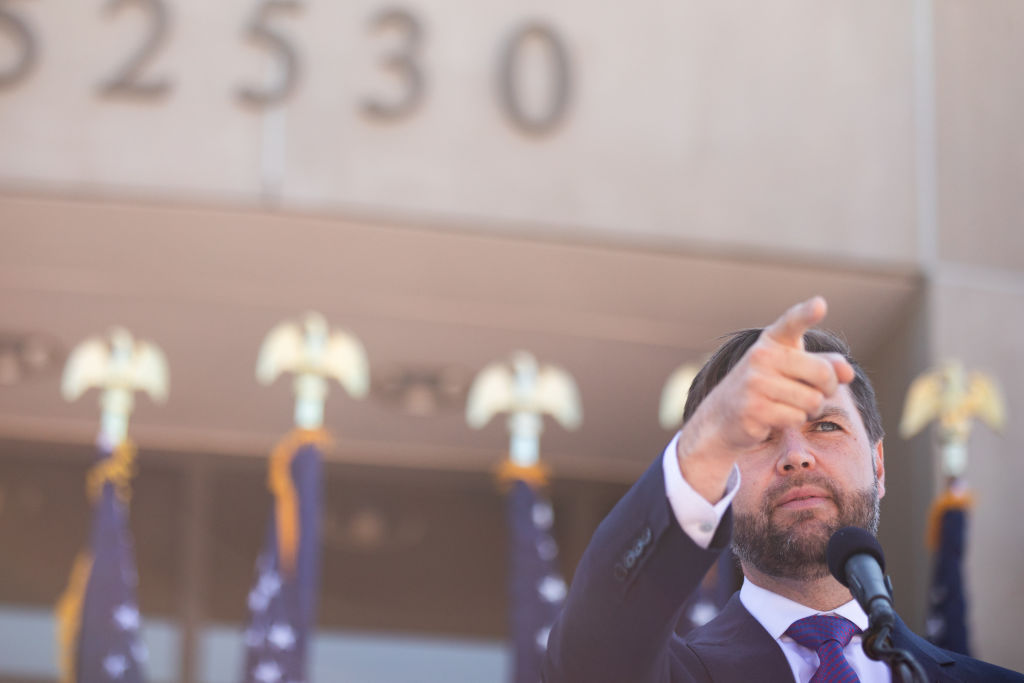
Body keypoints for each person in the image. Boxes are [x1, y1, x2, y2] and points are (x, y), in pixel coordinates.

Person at [542, 297, 1023, 683]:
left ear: (878, 465)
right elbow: (589, 656)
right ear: (718, 480)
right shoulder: (674, 673)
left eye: (826, 427)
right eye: (757, 435)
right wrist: (700, 447)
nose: (796, 454)